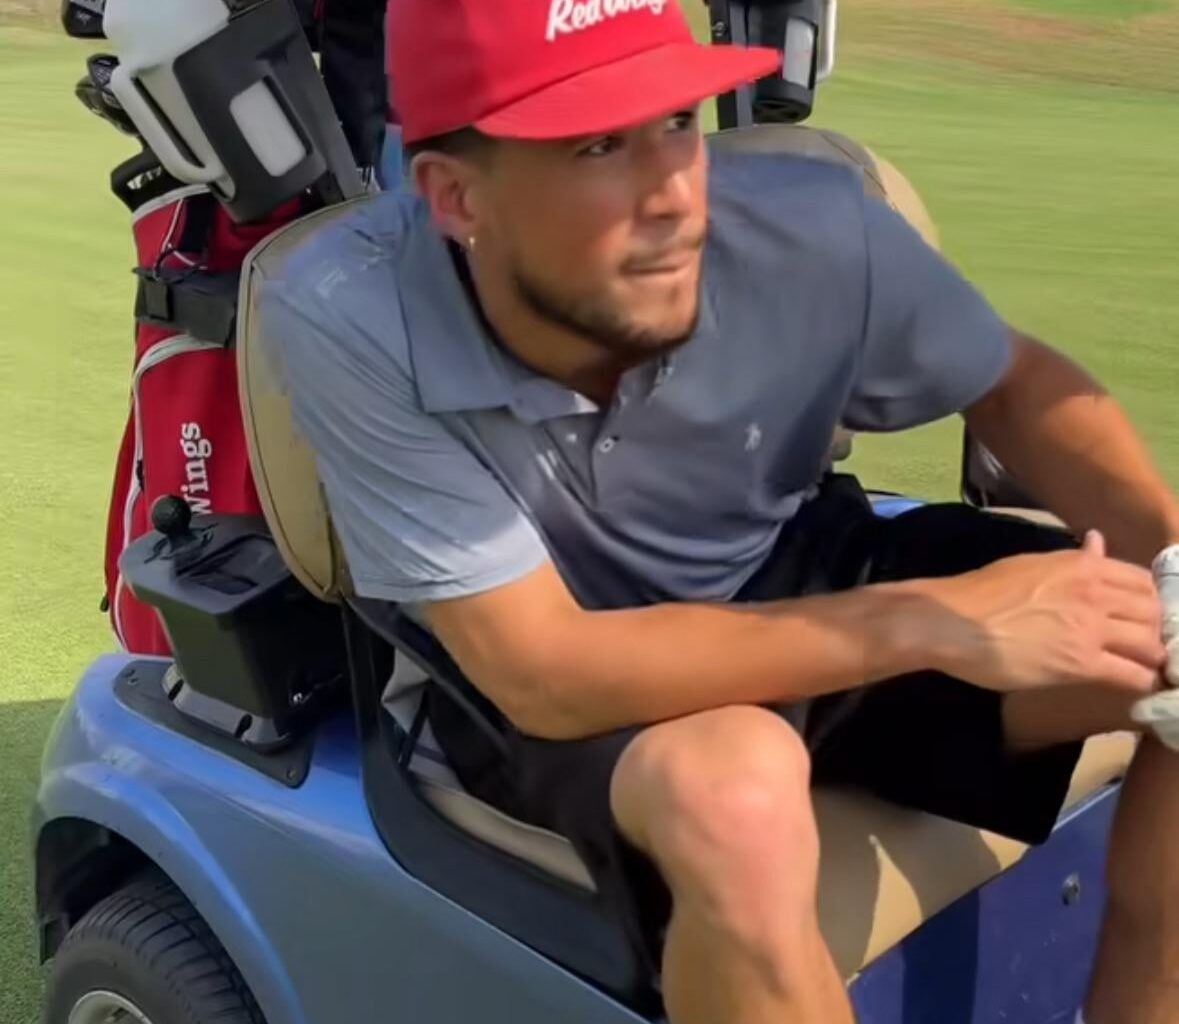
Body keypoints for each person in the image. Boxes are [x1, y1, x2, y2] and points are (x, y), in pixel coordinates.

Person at [258, 0, 1179, 1020]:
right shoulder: (349, 309)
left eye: (676, 125)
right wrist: (935, 622)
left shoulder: (808, 225)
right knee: (736, 792)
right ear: (454, 194)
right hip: (561, 664)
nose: (672, 196)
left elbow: (1014, 382)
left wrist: (1172, 563)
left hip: (782, 557)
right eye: (597, 146)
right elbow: (542, 673)